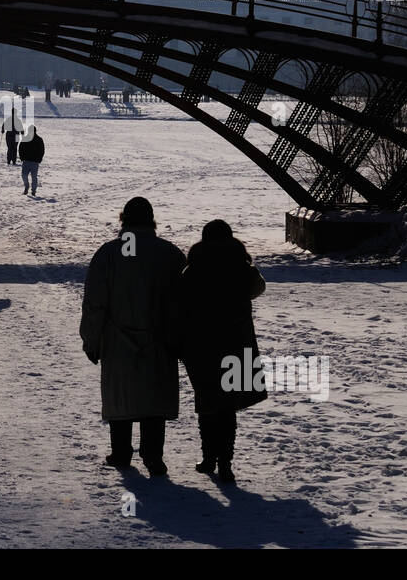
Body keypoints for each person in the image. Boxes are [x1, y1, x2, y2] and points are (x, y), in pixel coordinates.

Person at [79, 197, 185, 476]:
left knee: (121, 397)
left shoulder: (109, 254)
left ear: (123, 219)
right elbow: (183, 301)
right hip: (159, 341)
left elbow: (95, 302)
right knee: (153, 398)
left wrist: (91, 339)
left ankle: (121, 452)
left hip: (117, 340)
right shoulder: (170, 254)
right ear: (151, 220)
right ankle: (153, 456)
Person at [171, 219, 267, 484]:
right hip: (236, 342)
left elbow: (181, 305)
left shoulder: (193, 269)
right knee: (228, 406)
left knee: (207, 401)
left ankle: (208, 458)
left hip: (201, 345)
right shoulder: (241, 268)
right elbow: (258, 289)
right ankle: (226, 462)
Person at [18, 124, 44, 195]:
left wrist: (39, 159)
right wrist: (22, 157)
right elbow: (20, 148)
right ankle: (26, 186)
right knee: (24, 175)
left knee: (34, 177)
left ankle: (33, 191)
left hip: (35, 162)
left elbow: (42, 150)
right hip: (26, 161)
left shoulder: (39, 139)